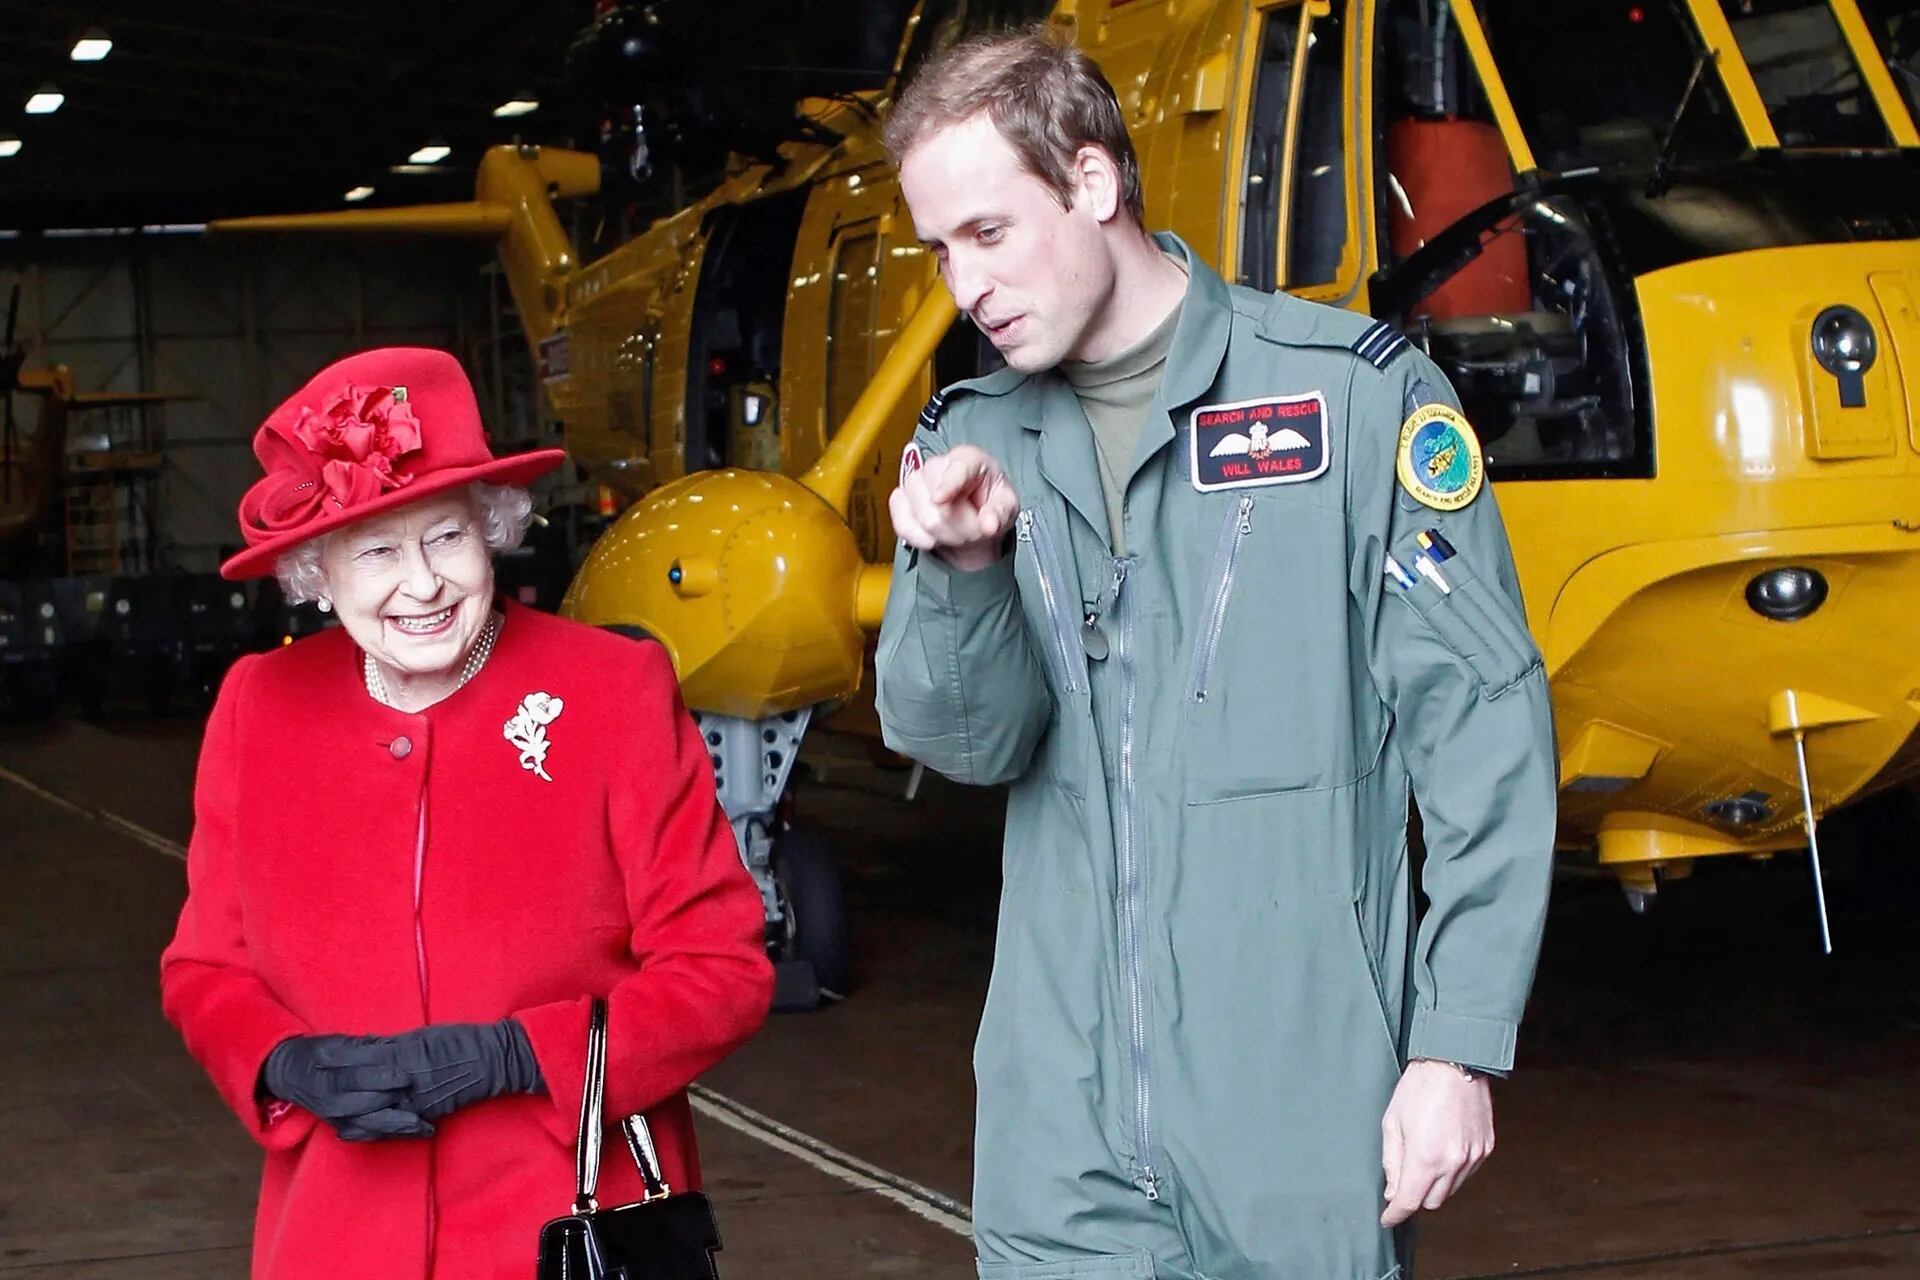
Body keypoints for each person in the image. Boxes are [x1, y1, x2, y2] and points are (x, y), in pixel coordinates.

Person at [876, 28, 1556, 1280]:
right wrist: (962, 573)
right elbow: (966, 744)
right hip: (1057, 1133)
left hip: (1295, 1112)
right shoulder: (974, 442)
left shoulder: (1352, 402)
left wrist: (1455, 1046)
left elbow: (1485, 736)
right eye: (940, 250)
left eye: (988, 233)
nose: (964, 285)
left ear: (1091, 181)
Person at [159, 347, 774, 1279]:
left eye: (446, 537)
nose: (422, 585)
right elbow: (207, 968)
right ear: (317, 572)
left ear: (491, 529)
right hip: (337, 1236)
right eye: (376, 551)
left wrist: (520, 1056)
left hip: (572, 1230)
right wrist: (282, 1064)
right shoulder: (261, 707)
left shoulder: (612, 690)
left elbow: (721, 969)